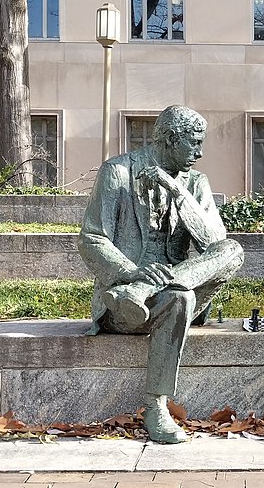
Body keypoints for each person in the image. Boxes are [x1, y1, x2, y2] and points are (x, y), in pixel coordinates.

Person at [80, 105, 244, 444]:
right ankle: (156, 407)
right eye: (194, 143)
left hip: (168, 291)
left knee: (233, 251)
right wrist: (131, 272)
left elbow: (215, 243)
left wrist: (176, 190)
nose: (200, 153)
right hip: (122, 302)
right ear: (170, 139)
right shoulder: (118, 172)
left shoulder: (196, 182)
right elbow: (91, 239)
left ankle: (141, 290)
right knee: (180, 296)